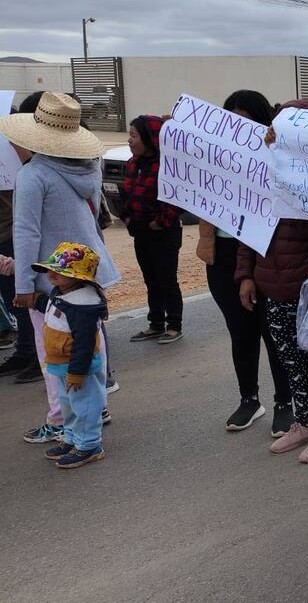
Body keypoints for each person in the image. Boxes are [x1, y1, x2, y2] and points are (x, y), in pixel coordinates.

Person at [0, 92, 120, 445]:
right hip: (85, 273)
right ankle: (93, 409)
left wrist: (23, 285)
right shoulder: (87, 168)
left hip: (50, 279)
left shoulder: (34, 175)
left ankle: (60, 419)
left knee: (52, 353)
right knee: (87, 347)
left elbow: (26, 233)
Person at [203, 89, 291, 435]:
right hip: (221, 255)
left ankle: (285, 402)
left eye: (247, 119)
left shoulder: (276, 155)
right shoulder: (215, 157)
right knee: (240, 332)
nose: (240, 126)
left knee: (273, 333)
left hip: (263, 252)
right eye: (232, 118)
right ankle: (249, 399)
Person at [236, 210, 308, 463]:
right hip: (273, 292)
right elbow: (247, 234)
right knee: (292, 363)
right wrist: (245, 276)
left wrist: (295, 208)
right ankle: (306, 421)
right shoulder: (259, 188)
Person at [29, 242, 109, 468]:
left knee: (84, 407)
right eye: (51, 269)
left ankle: (90, 445)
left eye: (60, 271)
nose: (51, 274)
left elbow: (83, 343)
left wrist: (77, 372)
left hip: (77, 368)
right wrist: (38, 301)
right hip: (63, 365)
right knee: (68, 406)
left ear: (79, 276)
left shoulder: (83, 305)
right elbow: (54, 308)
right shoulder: (63, 293)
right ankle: (73, 438)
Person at [0, 92, 52, 385]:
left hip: (12, 233)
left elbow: (28, 225)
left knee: (26, 300)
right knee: (12, 300)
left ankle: (37, 356)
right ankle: (25, 351)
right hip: (8, 234)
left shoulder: (28, 168)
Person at [120, 114, 184, 344]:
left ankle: (174, 325)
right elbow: (125, 194)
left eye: (134, 135)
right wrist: (127, 218)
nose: (130, 140)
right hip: (140, 231)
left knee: (167, 279)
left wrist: (159, 223)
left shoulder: (167, 165)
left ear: (148, 138)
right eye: (129, 135)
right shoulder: (133, 163)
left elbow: (176, 200)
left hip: (164, 232)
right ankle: (155, 323)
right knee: (150, 279)